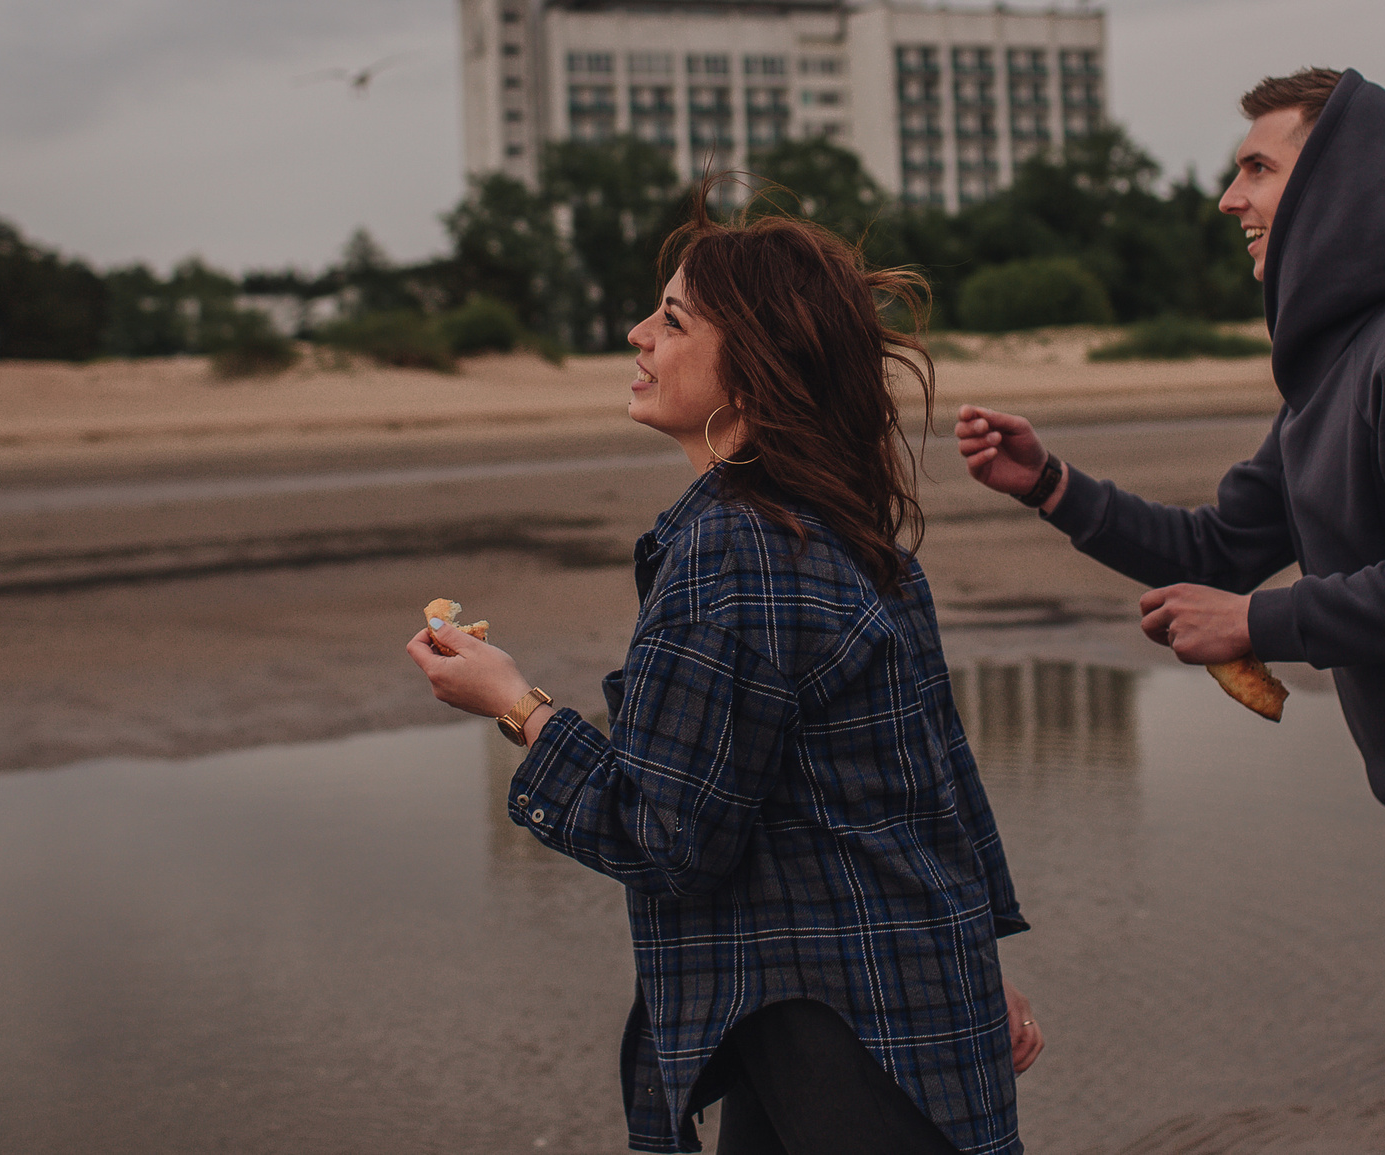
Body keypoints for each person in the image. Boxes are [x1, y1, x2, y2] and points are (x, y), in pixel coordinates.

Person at [956, 68, 1385, 1154]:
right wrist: (1052, 485)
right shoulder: (1342, 368)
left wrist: (1258, 625)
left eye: (1257, 168)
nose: (1228, 198)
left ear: (1342, 183)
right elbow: (1216, 547)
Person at [411, 196, 1042, 1155]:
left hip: (834, 1030)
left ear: (751, 372)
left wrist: (517, 706)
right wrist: (974, 956)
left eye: (671, 320)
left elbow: (669, 838)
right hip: (870, 1010)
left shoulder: (728, 551)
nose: (638, 334)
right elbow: (934, 786)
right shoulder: (845, 526)